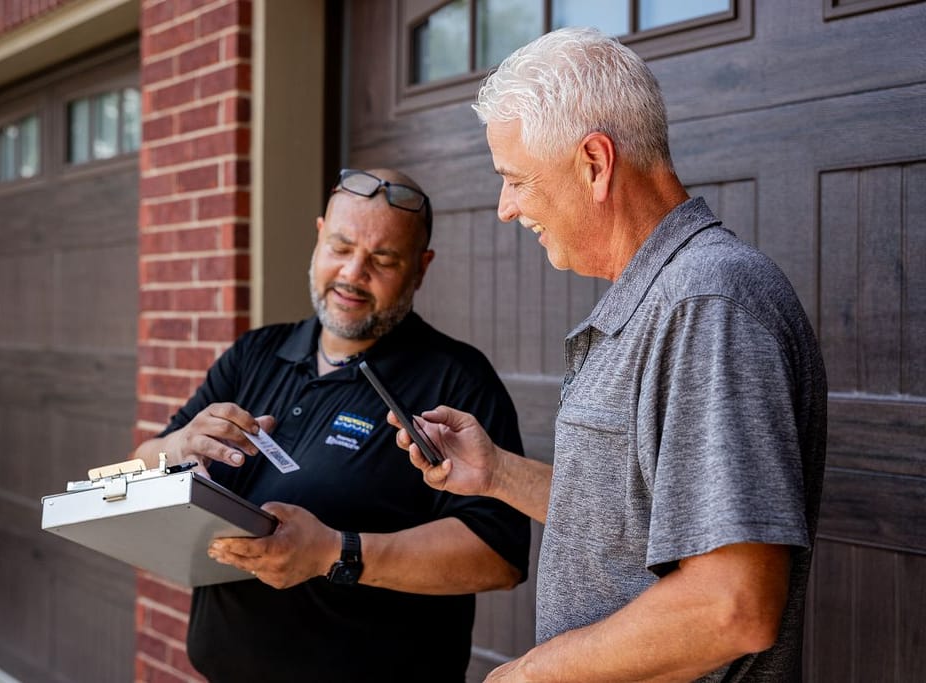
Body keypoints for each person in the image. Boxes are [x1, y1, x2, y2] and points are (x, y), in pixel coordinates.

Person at [392, 28, 828, 682]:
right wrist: (496, 474)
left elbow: (732, 605)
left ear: (595, 163)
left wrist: (530, 674)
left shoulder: (708, 304)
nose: (506, 208)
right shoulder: (658, 298)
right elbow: (634, 518)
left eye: (515, 180)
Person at [133, 167, 530, 683]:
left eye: (383, 259)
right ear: (319, 236)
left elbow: (497, 555)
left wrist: (334, 553)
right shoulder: (254, 354)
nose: (353, 273)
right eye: (341, 247)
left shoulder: (456, 380)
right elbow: (140, 463)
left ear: (420, 268)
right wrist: (180, 444)